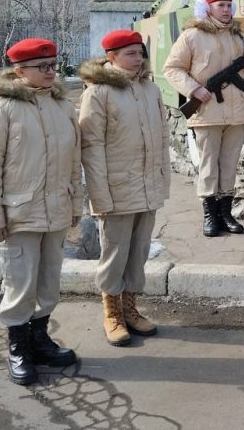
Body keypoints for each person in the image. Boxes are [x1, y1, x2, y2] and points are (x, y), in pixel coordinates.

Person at [0, 38, 82, 386]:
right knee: (20, 283)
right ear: (19, 70)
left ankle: (39, 339)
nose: (52, 72)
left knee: (49, 280)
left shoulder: (63, 106)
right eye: (43, 66)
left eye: (54, 64)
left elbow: (74, 162)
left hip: (57, 209)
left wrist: (76, 205)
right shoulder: (2, 109)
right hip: (19, 213)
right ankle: (18, 347)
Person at [79, 30, 171, 347]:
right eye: (130, 53)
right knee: (115, 253)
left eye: (140, 52)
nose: (138, 58)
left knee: (139, 251)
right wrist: (99, 196)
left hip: (147, 186)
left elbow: (162, 139)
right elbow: (91, 148)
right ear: (111, 57)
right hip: (117, 189)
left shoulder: (150, 89)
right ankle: (112, 314)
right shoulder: (99, 93)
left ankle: (131, 309)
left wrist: (161, 180)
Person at [163, 0, 244, 237]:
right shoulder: (192, 36)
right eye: (221, 6)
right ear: (209, 8)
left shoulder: (239, 37)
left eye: (229, 5)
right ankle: (210, 216)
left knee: (229, 164)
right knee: (208, 165)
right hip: (207, 111)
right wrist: (194, 89)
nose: (226, 10)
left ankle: (226, 214)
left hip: (237, 111)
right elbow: (172, 68)